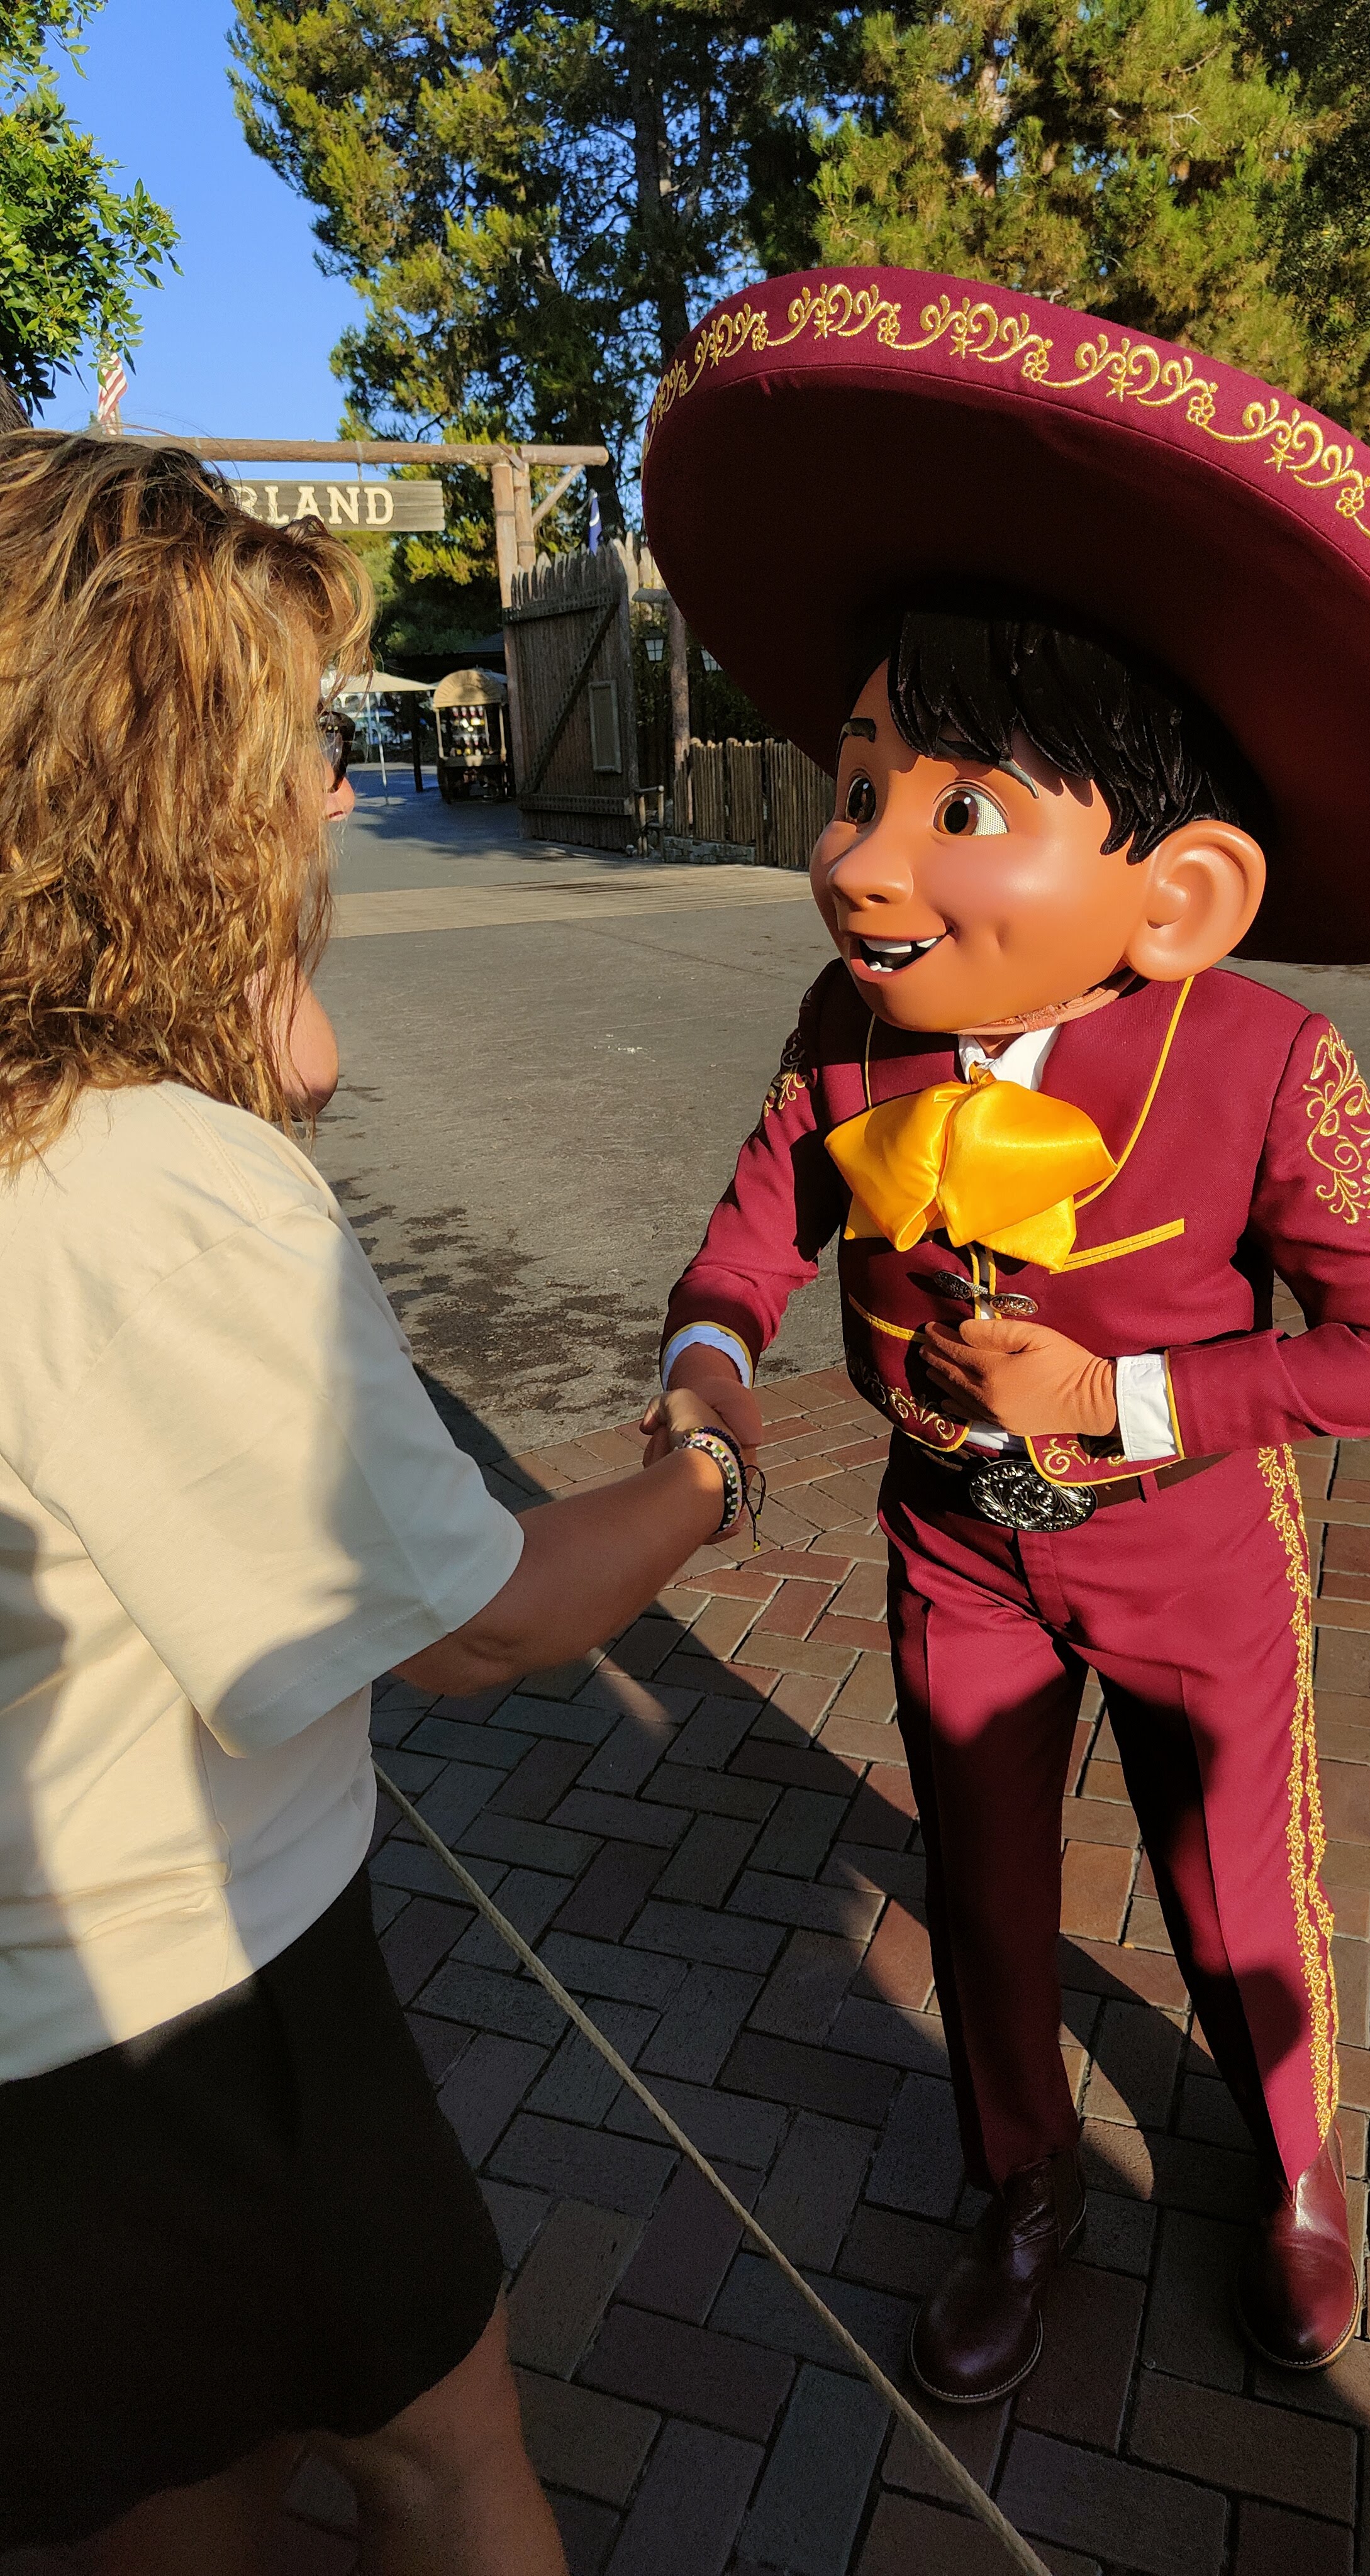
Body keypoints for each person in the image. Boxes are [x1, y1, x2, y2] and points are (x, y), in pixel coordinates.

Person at [640, 265, 1370, 2401]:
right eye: (861, 784)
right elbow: (746, 1244)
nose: (858, 864)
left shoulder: (1269, 1060)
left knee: (1235, 1884)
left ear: (1175, 891)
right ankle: (1021, 2181)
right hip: (949, 1547)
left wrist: (1144, 1391)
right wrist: (705, 1388)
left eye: (957, 810)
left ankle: (1288, 2169)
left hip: (1187, 1549)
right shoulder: (848, 1027)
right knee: (984, 1898)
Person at [0, 432, 744, 2573]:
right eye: (294, 746)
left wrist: (256, 1081)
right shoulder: (147, 1181)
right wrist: (699, 1476)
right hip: (178, 2013)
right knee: (447, 2455)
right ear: (156, 791)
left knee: (171, 2490)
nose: (337, 796)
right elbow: (487, 1622)